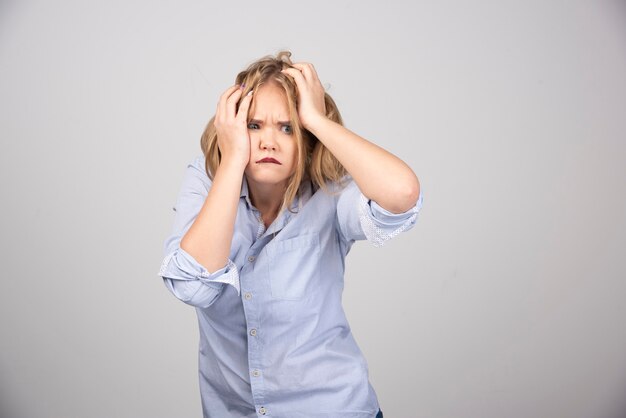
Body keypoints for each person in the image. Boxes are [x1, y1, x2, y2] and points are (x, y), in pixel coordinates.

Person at [158, 51, 423, 418]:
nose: (269, 142)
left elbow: (403, 195)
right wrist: (233, 159)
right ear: (232, 127)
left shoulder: (329, 191)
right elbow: (192, 285)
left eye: (287, 128)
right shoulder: (206, 181)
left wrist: (317, 120)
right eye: (254, 126)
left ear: (307, 139)